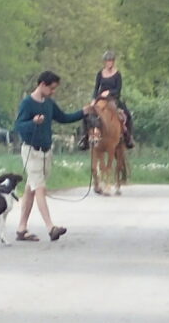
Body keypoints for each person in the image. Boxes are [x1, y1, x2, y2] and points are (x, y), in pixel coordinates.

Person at [12, 70, 92, 242]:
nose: (53, 92)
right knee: (39, 188)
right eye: (52, 88)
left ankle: (21, 228)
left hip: (46, 152)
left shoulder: (49, 103)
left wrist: (83, 112)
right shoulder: (27, 103)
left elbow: (63, 117)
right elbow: (19, 126)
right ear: (42, 85)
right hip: (31, 151)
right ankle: (50, 227)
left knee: (31, 189)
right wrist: (33, 122)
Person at [78, 50, 136, 150]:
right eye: (107, 61)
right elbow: (96, 88)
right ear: (104, 62)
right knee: (86, 113)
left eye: (110, 61)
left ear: (113, 62)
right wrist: (93, 99)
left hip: (113, 98)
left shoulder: (117, 74)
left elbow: (118, 90)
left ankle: (128, 138)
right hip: (100, 98)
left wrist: (109, 92)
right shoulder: (100, 74)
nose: (109, 63)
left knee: (128, 114)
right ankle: (84, 138)